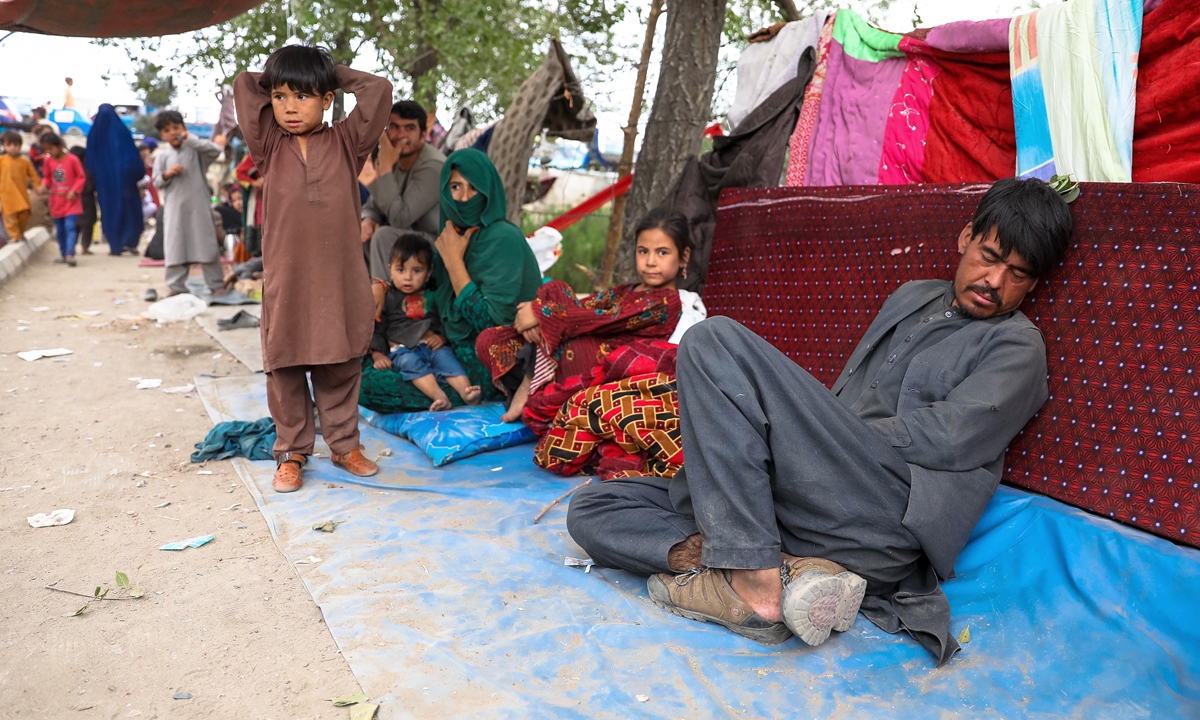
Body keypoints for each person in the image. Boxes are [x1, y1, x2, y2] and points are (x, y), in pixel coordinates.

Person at [566, 178, 1075, 666]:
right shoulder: (913, 296)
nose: (995, 281)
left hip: (881, 518)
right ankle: (785, 569)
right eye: (989, 257)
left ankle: (756, 588)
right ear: (966, 237)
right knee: (594, 506)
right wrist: (788, 443)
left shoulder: (1017, 347)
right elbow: (846, 400)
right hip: (809, 506)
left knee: (712, 339)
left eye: (1019, 274)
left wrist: (795, 432)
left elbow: (950, 439)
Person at [234, 44, 393, 492]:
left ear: (327, 100)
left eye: (302, 96)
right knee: (283, 363)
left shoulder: (347, 141)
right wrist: (286, 74)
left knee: (340, 360)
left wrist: (328, 73)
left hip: (337, 278)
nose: (288, 107)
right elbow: (244, 86)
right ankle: (291, 452)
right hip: (287, 277)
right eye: (281, 96)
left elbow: (379, 90)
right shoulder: (267, 143)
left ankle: (344, 446)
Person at [359, 148, 542, 414]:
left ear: (489, 190)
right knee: (363, 362)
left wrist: (455, 263)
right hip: (444, 347)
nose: (465, 197)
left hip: (494, 360)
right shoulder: (451, 233)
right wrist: (382, 286)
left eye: (474, 188)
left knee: (368, 385)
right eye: (455, 187)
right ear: (444, 191)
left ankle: (462, 393)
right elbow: (424, 285)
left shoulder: (503, 238)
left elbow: (493, 325)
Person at [478, 207, 693, 423]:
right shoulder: (627, 290)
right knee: (492, 338)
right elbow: (582, 307)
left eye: (662, 252)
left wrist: (540, 314)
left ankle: (530, 381)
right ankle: (537, 379)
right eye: (643, 251)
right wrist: (542, 311)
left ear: (683, 257)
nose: (651, 261)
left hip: (604, 368)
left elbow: (602, 319)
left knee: (567, 336)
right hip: (568, 352)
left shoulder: (666, 302)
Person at [370, 233, 482, 411]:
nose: (408, 277)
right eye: (401, 270)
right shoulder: (388, 297)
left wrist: (441, 337)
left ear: (428, 273)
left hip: (430, 345)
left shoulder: (432, 296)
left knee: (446, 357)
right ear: (390, 269)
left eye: (416, 271)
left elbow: (442, 320)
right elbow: (377, 327)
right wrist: (377, 354)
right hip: (402, 349)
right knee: (409, 363)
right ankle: (438, 395)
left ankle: (466, 391)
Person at [360, 100, 445, 280]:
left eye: (409, 128)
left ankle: (384, 301)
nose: (401, 134)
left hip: (439, 243)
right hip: (410, 239)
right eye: (395, 127)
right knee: (361, 233)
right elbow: (373, 205)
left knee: (383, 236)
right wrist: (367, 219)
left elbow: (400, 218)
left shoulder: (433, 166)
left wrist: (385, 171)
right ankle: (364, 297)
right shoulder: (394, 161)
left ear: (423, 135)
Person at [152, 110, 224, 296]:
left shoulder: (196, 150)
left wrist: (190, 139)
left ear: (184, 128)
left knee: (206, 245)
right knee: (176, 246)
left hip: (199, 207)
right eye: (167, 130)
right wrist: (168, 174)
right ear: (162, 135)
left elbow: (215, 151)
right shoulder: (162, 156)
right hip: (175, 209)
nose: (172, 132)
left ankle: (216, 285)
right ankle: (176, 287)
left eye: (176, 127)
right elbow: (157, 181)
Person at [87, 104, 146, 255]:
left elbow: (90, 162)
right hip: (126, 183)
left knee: (110, 212)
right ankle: (129, 242)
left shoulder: (95, 135)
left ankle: (116, 245)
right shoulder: (122, 132)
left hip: (105, 185)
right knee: (130, 212)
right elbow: (134, 159)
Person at [39, 133, 86, 266]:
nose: (49, 152)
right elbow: (47, 177)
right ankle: (63, 253)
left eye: (51, 148)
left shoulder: (72, 160)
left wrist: (75, 190)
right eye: (46, 149)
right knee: (60, 229)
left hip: (71, 201)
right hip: (56, 200)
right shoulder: (48, 161)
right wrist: (44, 185)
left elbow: (81, 177)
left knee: (70, 226)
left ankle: (70, 254)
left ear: (59, 146)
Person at [0, 130, 45, 244]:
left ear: (20, 146)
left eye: (16, 145)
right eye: (9, 145)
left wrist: (37, 186)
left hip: (21, 194)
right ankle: (14, 235)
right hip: (6, 195)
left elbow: (34, 176)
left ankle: (20, 233)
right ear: (4, 146)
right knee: (10, 218)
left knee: (24, 215)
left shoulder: (25, 162)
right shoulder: (2, 161)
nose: (12, 148)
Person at [67, 146, 97, 254]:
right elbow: (91, 186)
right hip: (87, 200)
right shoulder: (88, 170)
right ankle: (84, 247)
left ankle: (70, 247)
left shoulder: (64, 168)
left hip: (70, 199)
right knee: (87, 226)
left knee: (73, 225)